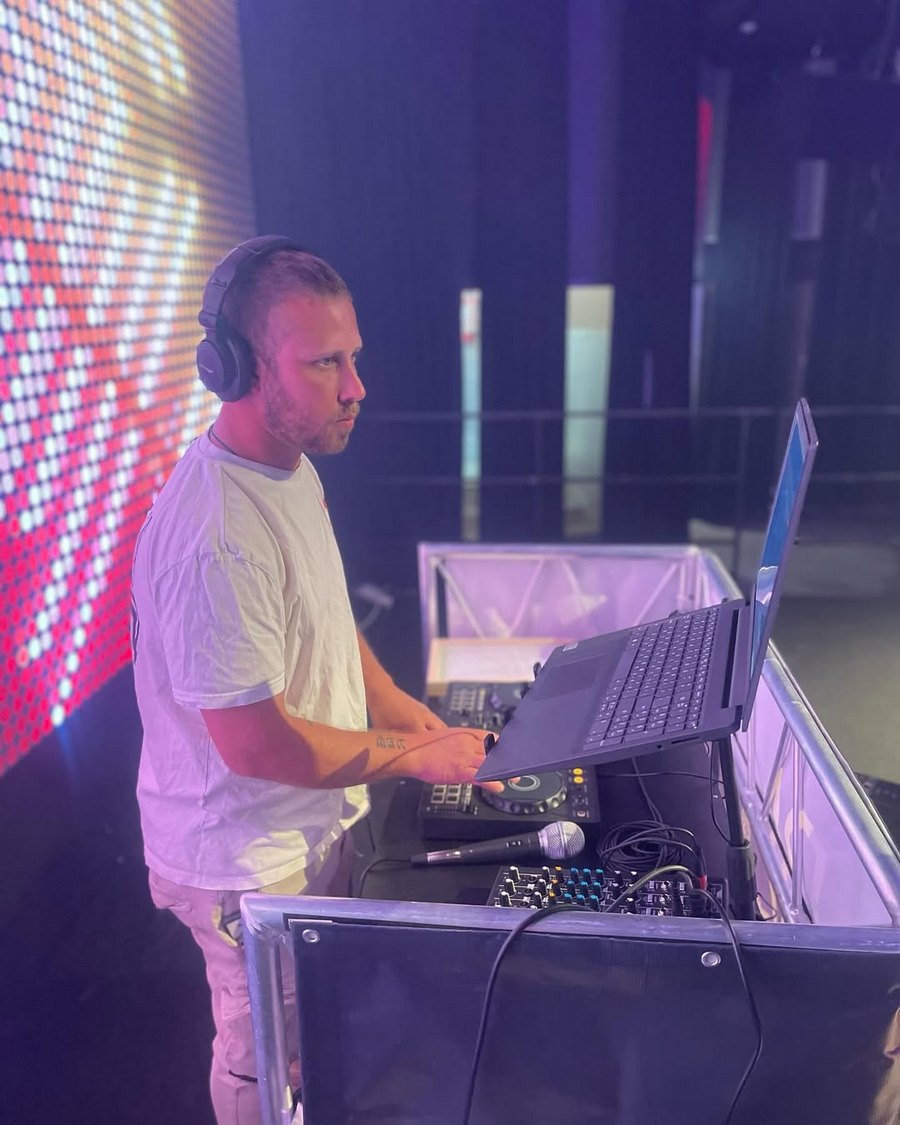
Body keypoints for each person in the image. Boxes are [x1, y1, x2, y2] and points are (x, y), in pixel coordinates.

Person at [130, 236, 498, 1125]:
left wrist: (406, 713)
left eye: (352, 357)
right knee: (267, 1056)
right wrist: (413, 757)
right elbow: (257, 745)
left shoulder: (289, 471)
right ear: (239, 369)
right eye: (325, 363)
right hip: (242, 856)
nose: (356, 386)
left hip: (299, 825)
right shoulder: (219, 537)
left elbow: (328, 619)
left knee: (318, 1038)